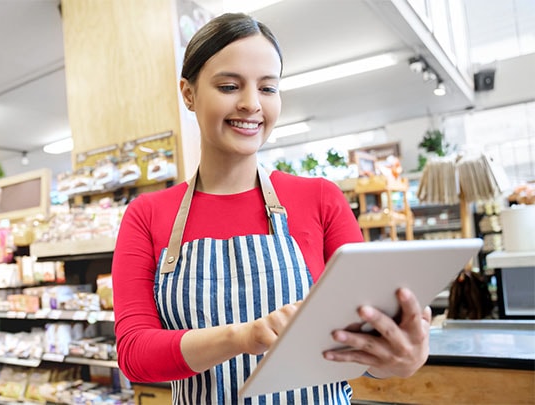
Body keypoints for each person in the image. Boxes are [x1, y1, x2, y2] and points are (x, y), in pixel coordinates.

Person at [112, 13, 431, 404]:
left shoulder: (321, 199)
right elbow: (135, 355)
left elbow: (360, 347)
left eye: (267, 88)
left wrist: (398, 358)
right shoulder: (147, 215)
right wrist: (242, 337)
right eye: (229, 86)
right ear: (189, 93)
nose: (251, 104)